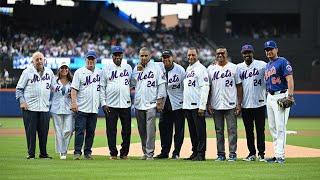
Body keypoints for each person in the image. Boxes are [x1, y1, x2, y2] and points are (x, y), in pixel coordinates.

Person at [16, 51, 54, 159]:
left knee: (44, 133)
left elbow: (55, 86)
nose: (39, 61)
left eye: (41, 59)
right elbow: (19, 89)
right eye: (36, 59)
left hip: (44, 108)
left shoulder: (49, 72)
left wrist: (67, 89)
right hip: (30, 108)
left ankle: (43, 154)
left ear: (44, 60)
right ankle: (31, 154)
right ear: (33, 61)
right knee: (30, 133)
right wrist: (22, 101)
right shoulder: (27, 72)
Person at [207, 46, 243, 162]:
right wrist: (208, 103)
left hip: (231, 103)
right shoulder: (211, 69)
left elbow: (239, 86)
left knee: (232, 130)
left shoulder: (234, 67)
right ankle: (221, 154)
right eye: (218, 53)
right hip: (216, 104)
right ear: (215, 55)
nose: (220, 55)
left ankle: (232, 154)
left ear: (226, 54)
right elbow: (208, 88)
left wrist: (239, 104)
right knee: (219, 131)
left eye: (222, 53)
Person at [132, 47, 166, 160]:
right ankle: (145, 151)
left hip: (151, 103)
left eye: (146, 55)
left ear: (150, 56)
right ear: (139, 56)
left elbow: (161, 84)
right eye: (142, 56)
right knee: (142, 129)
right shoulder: (136, 68)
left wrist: (160, 100)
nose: (144, 57)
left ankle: (150, 153)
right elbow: (131, 83)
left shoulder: (156, 67)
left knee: (150, 129)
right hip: (139, 103)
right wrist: (137, 71)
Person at [264, 40, 295, 164]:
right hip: (270, 97)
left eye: (271, 49)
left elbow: (290, 79)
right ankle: (277, 154)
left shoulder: (283, 62)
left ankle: (280, 156)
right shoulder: (268, 65)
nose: (269, 51)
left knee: (280, 126)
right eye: (266, 50)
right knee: (272, 127)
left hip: (281, 95)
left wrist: (290, 96)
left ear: (276, 49)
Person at [100, 46, 132, 160]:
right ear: (112, 56)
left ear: (122, 55)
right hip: (111, 105)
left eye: (119, 54)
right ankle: (113, 153)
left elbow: (132, 83)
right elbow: (102, 87)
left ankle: (124, 153)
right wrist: (103, 103)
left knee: (127, 130)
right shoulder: (106, 68)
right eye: (115, 55)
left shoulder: (128, 67)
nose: (117, 57)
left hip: (125, 104)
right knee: (111, 130)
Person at [237, 44, 266, 161]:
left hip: (259, 103)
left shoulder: (262, 65)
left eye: (249, 52)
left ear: (252, 53)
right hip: (245, 104)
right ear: (242, 54)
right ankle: (252, 153)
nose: (247, 54)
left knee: (260, 130)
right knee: (249, 131)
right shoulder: (239, 67)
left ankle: (262, 153)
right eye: (245, 53)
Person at [71, 50, 102, 160]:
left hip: (94, 108)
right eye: (89, 59)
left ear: (95, 60)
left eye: (92, 59)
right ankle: (77, 152)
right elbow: (74, 89)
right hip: (82, 107)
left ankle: (87, 152)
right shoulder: (79, 72)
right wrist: (74, 103)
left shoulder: (100, 72)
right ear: (85, 60)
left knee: (91, 132)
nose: (90, 61)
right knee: (79, 131)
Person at [155, 50, 185, 160]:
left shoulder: (180, 70)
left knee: (179, 130)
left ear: (172, 58)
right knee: (164, 129)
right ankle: (164, 152)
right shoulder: (158, 67)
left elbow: (185, 87)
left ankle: (176, 152)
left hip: (178, 104)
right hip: (164, 105)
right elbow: (147, 63)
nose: (165, 59)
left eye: (168, 57)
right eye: (164, 57)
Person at [183, 47, 209, 161]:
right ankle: (194, 152)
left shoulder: (201, 69)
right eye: (189, 55)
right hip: (188, 106)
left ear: (197, 55)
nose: (190, 57)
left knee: (200, 131)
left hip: (197, 106)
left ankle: (201, 153)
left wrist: (202, 106)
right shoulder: (188, 69)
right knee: (192, 131)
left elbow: (205, 87)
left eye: (193, 55)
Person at [50, 62, 74, 160]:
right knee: (58, 131)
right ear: (59, 69)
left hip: (69, 108)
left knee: (68, 130)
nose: (64, 69)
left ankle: (63, 149)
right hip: (56, 108)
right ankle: (62, 152)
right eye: (62, 68)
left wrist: (72, 95)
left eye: (66, 68)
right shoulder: (53, 80)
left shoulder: (72, 81)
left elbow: (78, 91)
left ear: (68, 69)